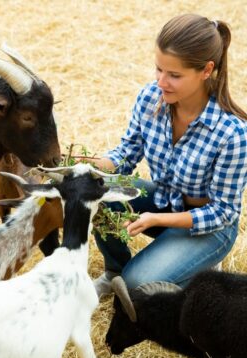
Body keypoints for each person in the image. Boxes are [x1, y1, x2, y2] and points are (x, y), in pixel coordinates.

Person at [89, 14, 247, 296]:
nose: (161, 82)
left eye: (174, 75)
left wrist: (156, 219)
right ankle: (115, 272)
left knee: (139, 284)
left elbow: (223, 212)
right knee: (96, 191)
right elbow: (128, 153)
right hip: (165, 201)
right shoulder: (150, 97)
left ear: (206, 70)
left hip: (209, 228)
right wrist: (93, 165)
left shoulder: (233, 133)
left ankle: (202, 266)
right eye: (159, 69)